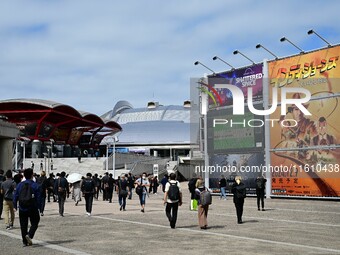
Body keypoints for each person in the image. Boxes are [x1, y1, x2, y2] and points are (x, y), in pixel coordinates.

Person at [13, 168, 41, 246]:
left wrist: (15, 205)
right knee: (35, 222)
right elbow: (38, 197)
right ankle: (30, 235)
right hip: (32, 207)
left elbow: (15, 196)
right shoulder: (35, 185)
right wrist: (39, 207)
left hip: (22, 207)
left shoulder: (19, 185)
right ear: (32, 175)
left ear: (24, 175)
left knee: (23, 225)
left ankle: (25, 241)